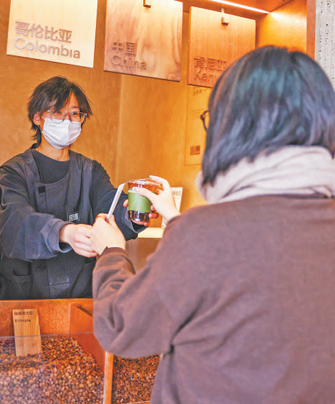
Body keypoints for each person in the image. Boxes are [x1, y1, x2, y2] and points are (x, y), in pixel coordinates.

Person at [90, 46, 335, 403]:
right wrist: (178, 221)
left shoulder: (205, 235)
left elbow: (122, 326)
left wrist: (111, 251)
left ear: (232, 127)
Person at [0, 76, 151, 300]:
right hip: (26, 296)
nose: (67, 120)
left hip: (80, 294)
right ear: (37, 118)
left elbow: (110, 204)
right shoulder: (14, 172)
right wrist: (65, 232)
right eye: (58, 112)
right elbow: (16, 221)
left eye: (74, 114)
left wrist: (134, 214)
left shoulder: (90, 170)